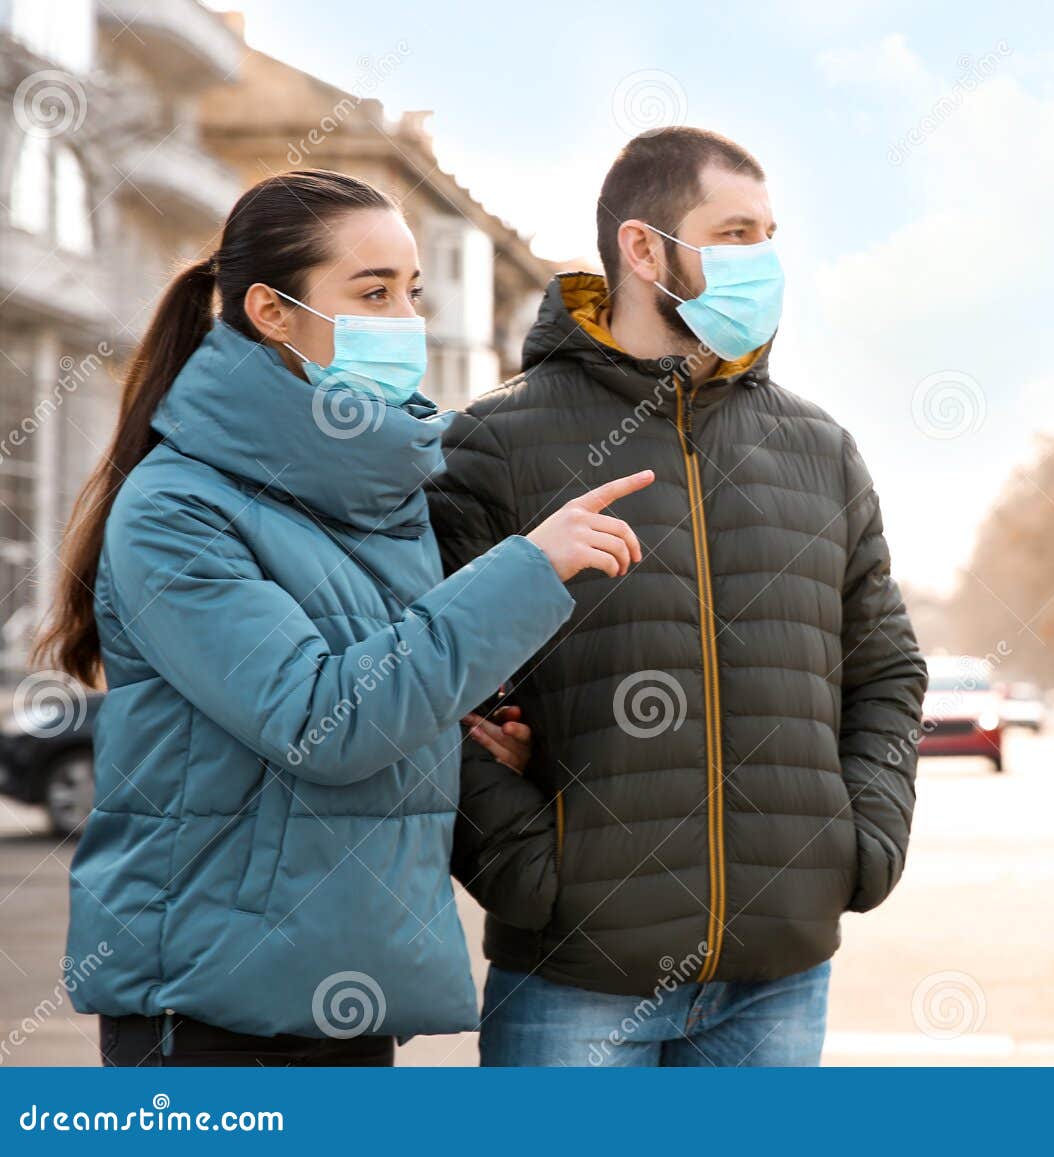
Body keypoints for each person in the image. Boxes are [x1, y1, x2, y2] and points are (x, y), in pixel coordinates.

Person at [36, 169, 653, 1066]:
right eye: (371, 292)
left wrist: (461, 728)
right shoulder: (178, 508)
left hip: (347, 991)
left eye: (411, 291)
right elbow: (325, 721)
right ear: (272, 311)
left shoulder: (369, 491)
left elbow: (387, 685)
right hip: (214, 1017)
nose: (404, 318)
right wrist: (526, 569)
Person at [427, 127, 928, 1066]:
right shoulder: (492, 441)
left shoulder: (821, 449)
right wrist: (532, 871)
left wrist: (859, 842)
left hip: (781, 971)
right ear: (644, 247)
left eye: (771, 235)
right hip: (574, 977)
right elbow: (427, 685)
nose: (765, 260)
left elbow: (887, 667)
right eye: (736, 233)